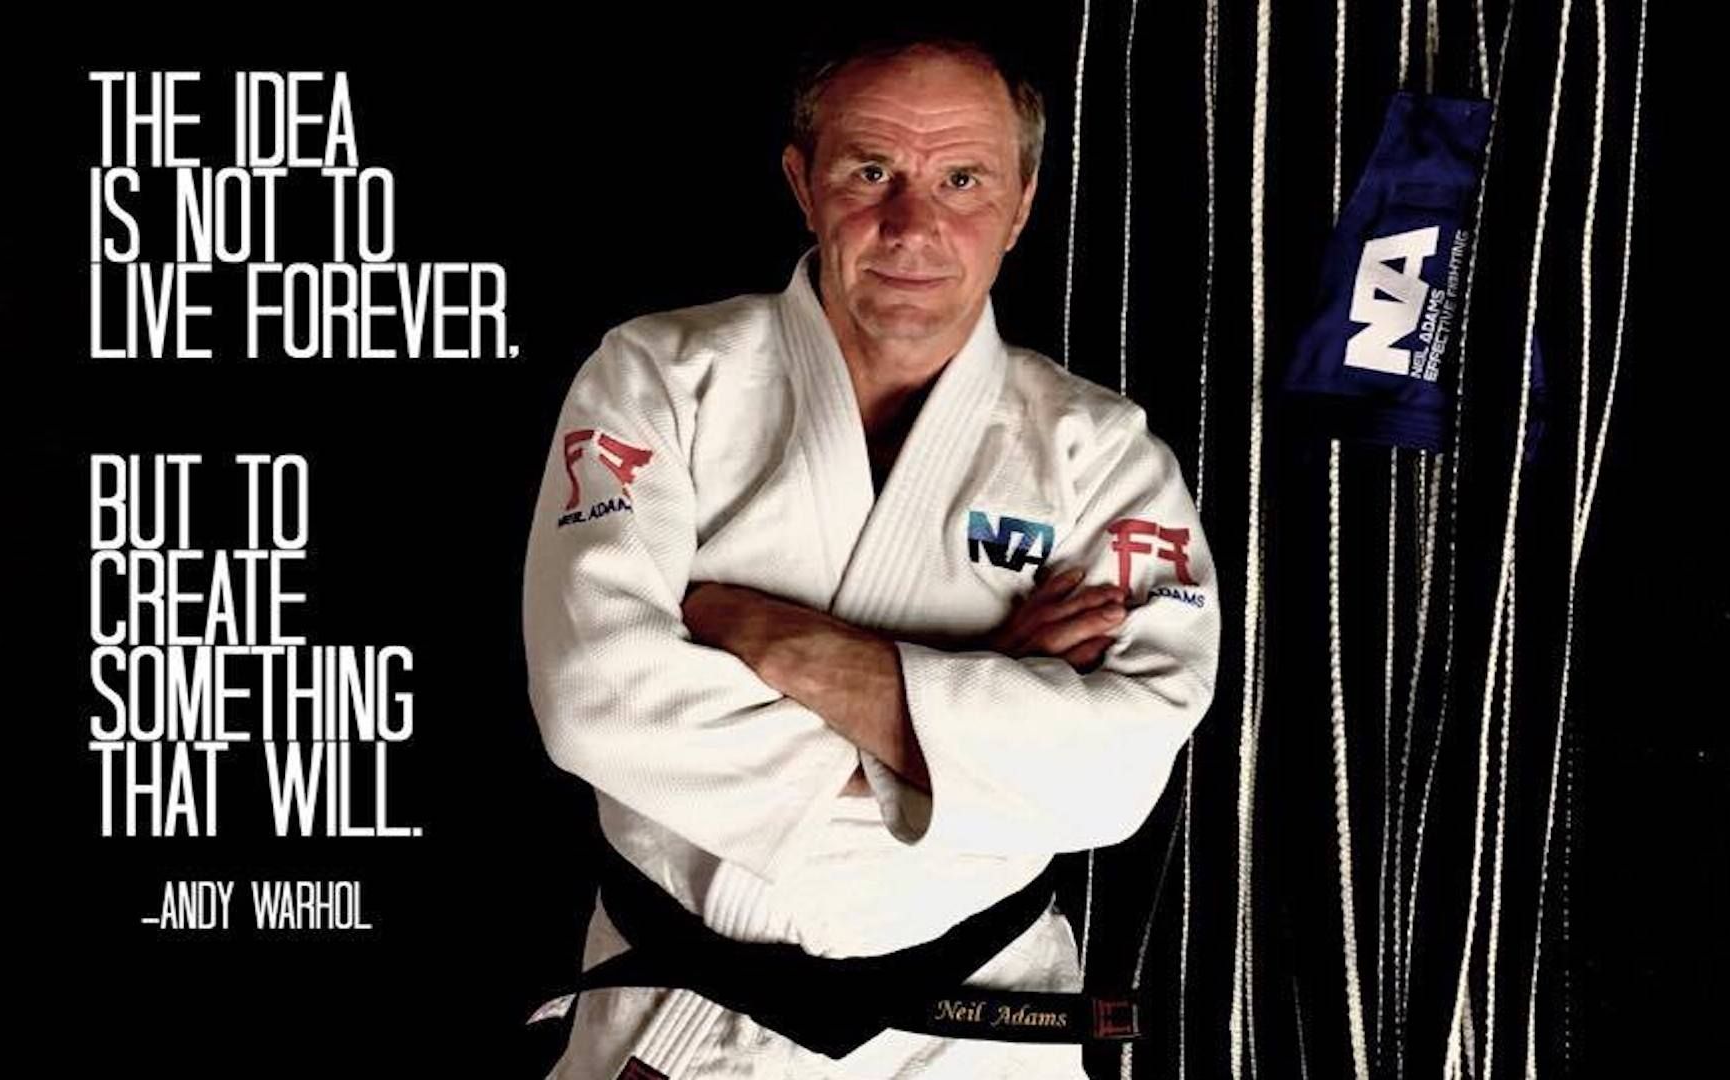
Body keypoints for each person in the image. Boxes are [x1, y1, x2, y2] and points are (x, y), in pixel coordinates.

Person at [523, 31, 1221, 1079]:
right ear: (802, 184)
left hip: (973, 1033)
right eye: (870, 172)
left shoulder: (1101, 452)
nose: (914, 224)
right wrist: (966, 716)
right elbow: (596, 696)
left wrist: (789, 646)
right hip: (684, 1024)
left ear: (1022, 204)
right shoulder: (661, 377)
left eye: (962, 179)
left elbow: (1115, 777)